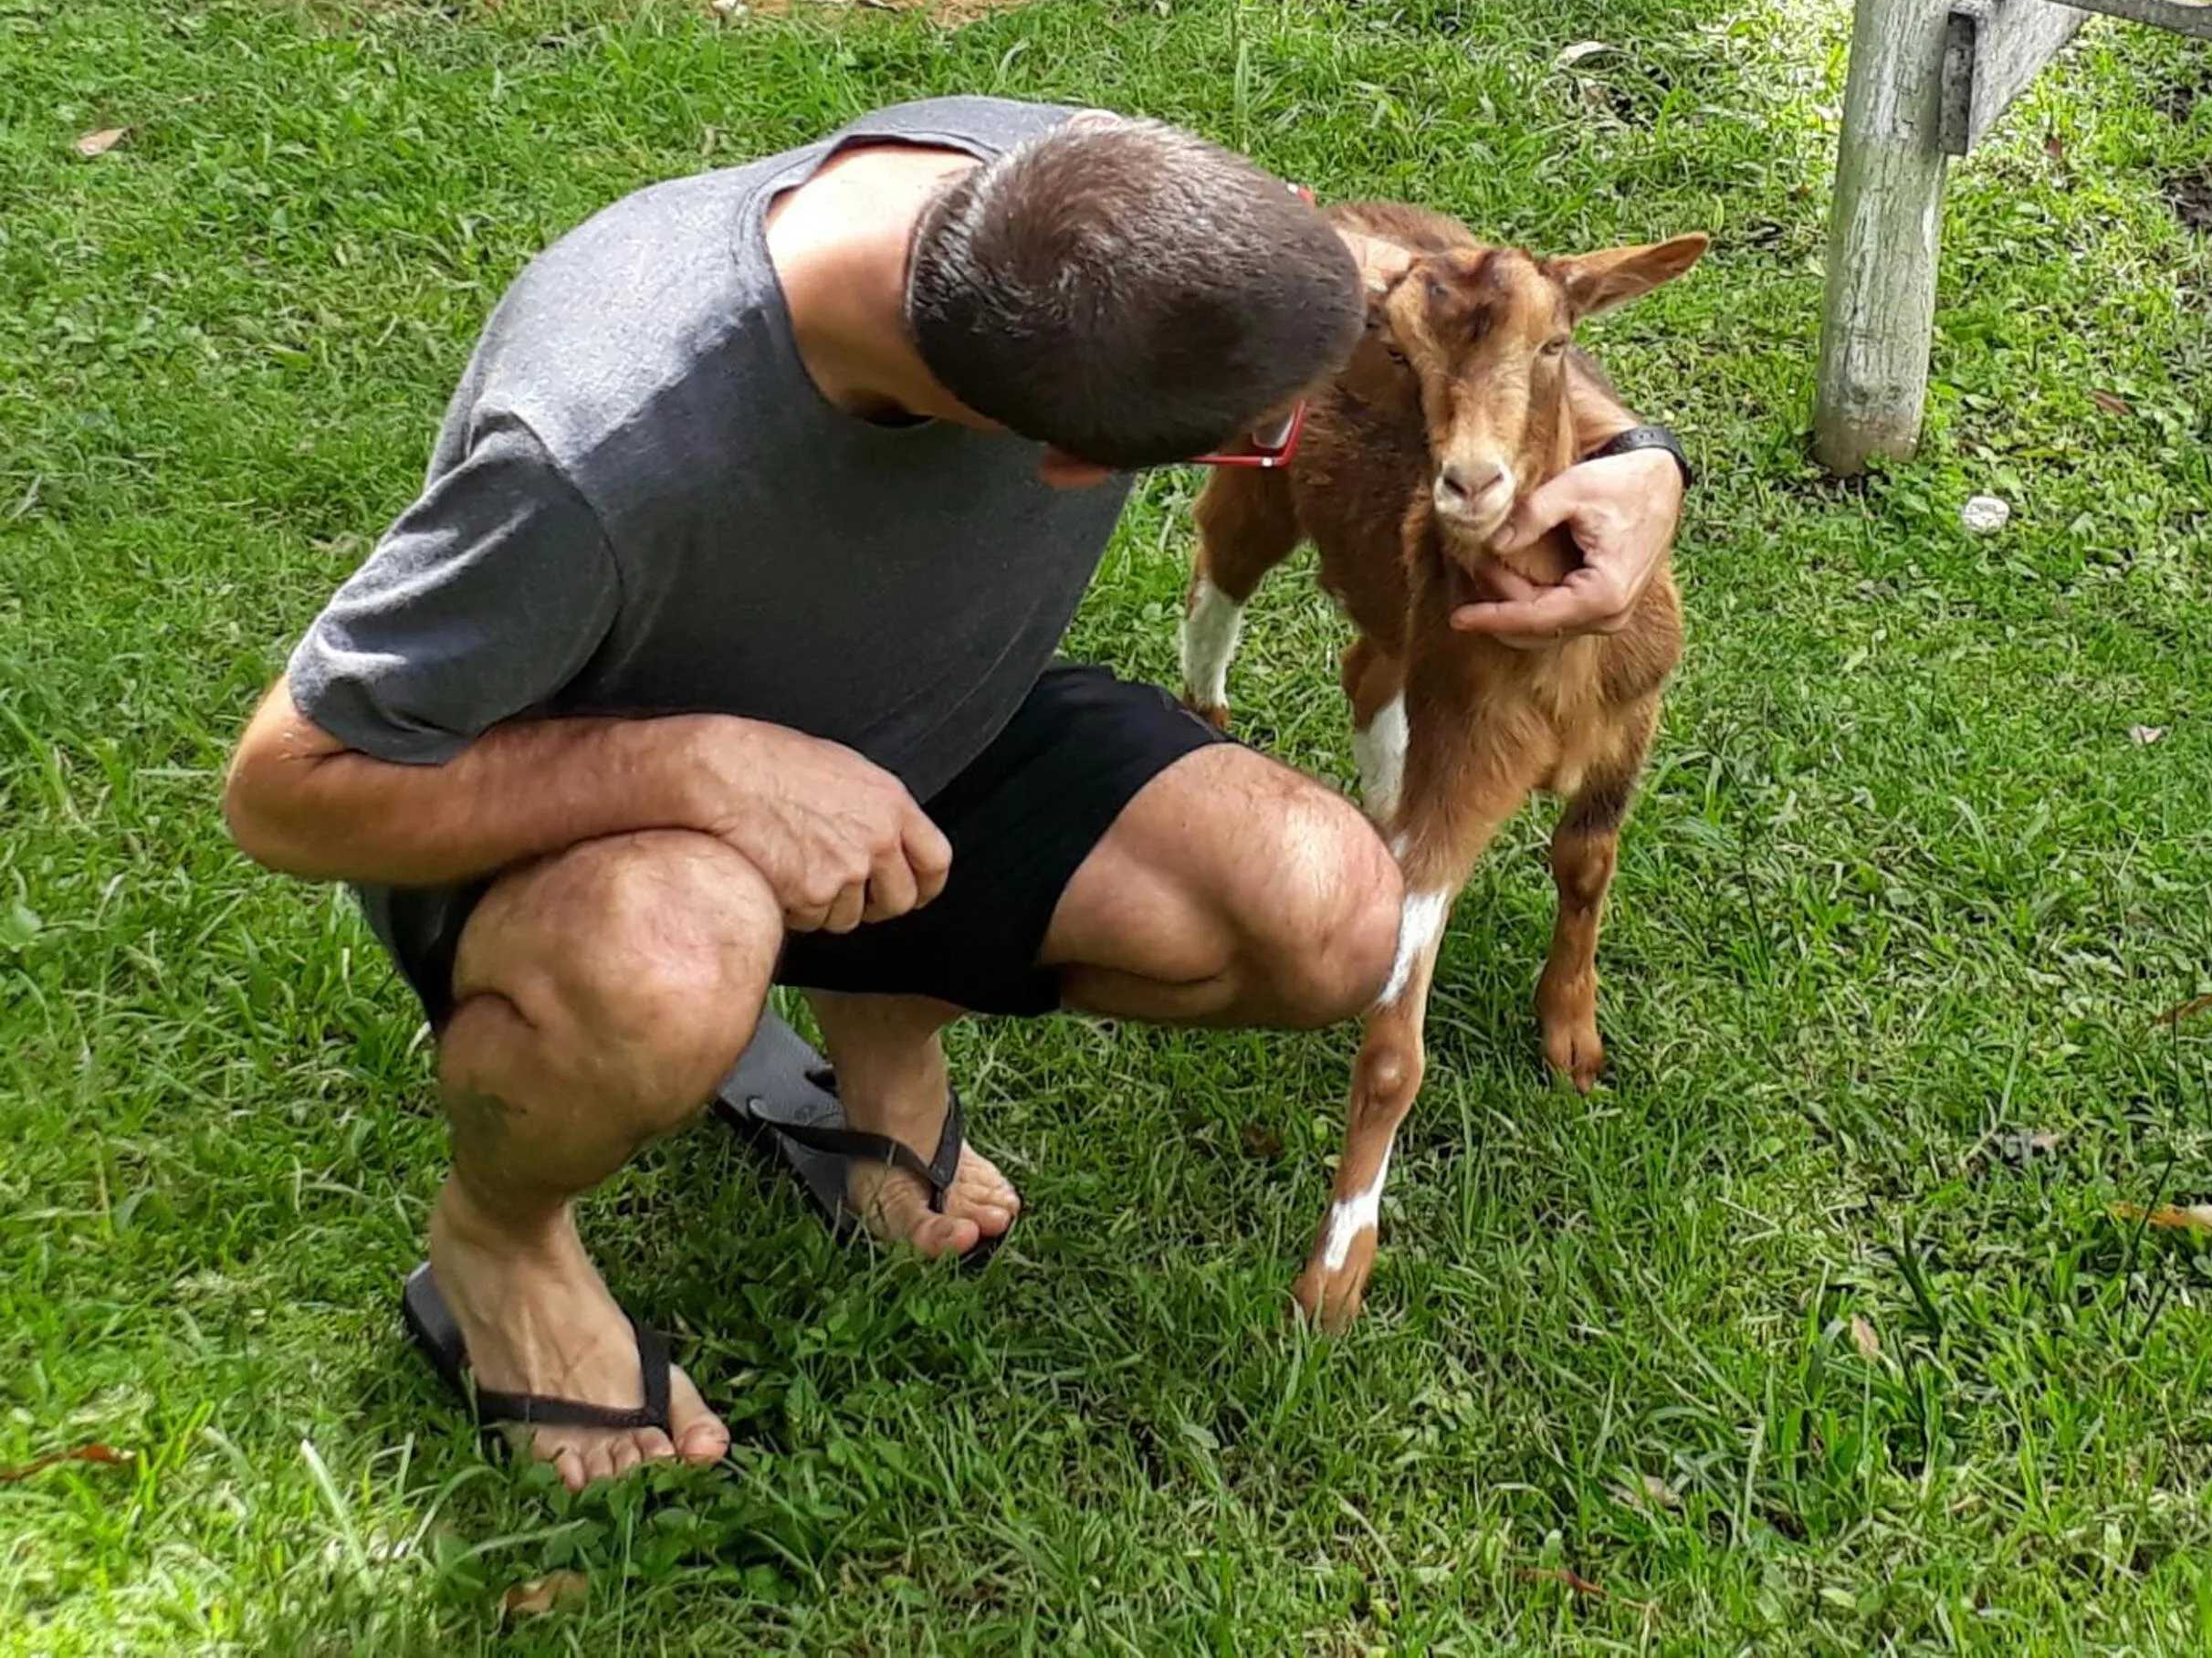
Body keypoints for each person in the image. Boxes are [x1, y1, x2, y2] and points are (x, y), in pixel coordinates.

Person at [220, 98, 1689, 1490]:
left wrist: (1637, 461)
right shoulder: (596, 449)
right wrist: (701, 768)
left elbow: (1421, 297)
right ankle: (501, 1241)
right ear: (1065, 465)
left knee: (1325, 915)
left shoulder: (1088, 193)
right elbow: (289, 789)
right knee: (665, 963)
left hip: (923, 731)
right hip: (594, 823)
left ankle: (881, 1017)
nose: (1287, 442)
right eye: (1257, 442)